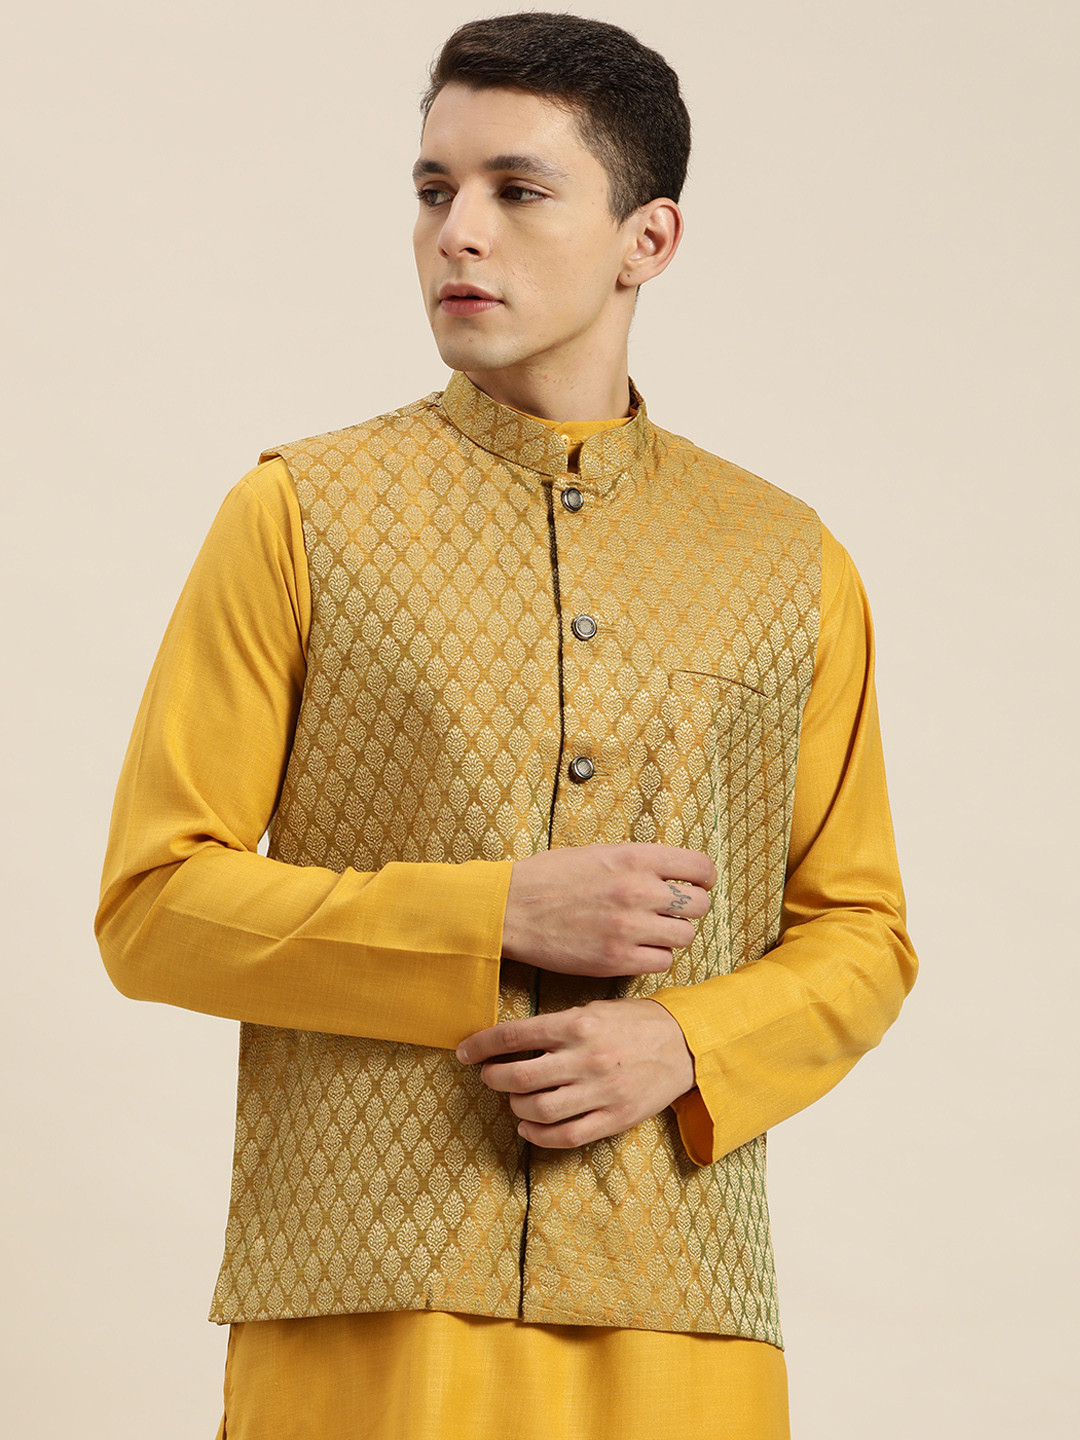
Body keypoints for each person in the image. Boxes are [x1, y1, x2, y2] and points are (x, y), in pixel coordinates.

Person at [95, 13, 918, 1439]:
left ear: (648, 239)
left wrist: (687, 1044)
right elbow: (153, 908)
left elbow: (863, 933)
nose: (457, 232)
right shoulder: (298, 516)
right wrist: (492, 917)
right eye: (434, 189)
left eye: (517, 190)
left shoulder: (790, 563)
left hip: (678, 1306)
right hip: (365, 1301)